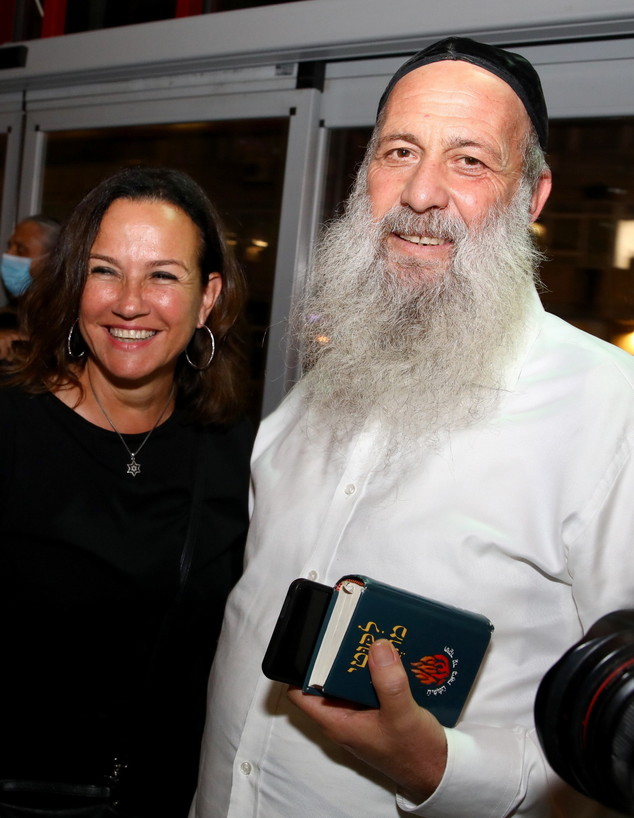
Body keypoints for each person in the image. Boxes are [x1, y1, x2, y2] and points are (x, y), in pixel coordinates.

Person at [191, 38, 634, 818]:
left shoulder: (608, 413)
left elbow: (620, 745)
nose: (421, 192)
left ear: (532, 196)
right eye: (399, 152)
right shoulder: (317, 391)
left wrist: (439, 769)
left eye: (470, 161)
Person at [0, 166, 252, 817]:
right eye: (105, 271)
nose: (130, 303)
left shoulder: (237, 452)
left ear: (207, 297)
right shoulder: (12, 426)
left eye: (162, 275)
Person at [0, 215, 60, 359]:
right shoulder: (9, 316)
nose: (8, 255)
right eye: (10, 246)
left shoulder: (66, 320)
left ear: (52, 260)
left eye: (20, 249)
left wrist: (24, 346)